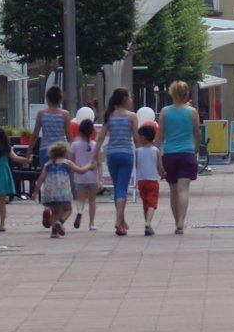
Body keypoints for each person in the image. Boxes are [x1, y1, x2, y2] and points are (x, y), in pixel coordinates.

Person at [157, 80, 201, 235]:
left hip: (169, 154)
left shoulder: (164, 112)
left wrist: (158, 154)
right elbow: (197, 133)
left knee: (173, 191)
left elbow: (160, 136)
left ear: (172, 93)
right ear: (186, 94)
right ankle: (181, 221)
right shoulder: (192, 112)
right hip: (187, 154)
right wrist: (196, 147)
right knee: (184, 190)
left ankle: (177, 222)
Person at [94, 88, 140, 236]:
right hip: (126, 154)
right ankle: (118, 219)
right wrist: (140, 153)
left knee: (117, 187)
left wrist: (94, 155)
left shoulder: (109, 116)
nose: (131, 100)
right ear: (124, 99)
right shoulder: (132, 117)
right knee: (122, 189)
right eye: (130, 97)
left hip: (112, 155)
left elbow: (100, 137)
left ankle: (121, 223)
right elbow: (136, 137)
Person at [37, 142, 90, 237]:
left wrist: (35, 191)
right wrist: (89, 166)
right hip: (63, 190)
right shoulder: (66, 162)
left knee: (54, 212)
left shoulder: (47, 164)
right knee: (68, 209)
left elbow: (41, 177)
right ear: (65, 152)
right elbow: (80, 170)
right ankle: (60, 222)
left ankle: (54, 232)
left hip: (50, 192)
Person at [69, 117, 101, 230]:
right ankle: (91, 224)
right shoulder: (95, 145)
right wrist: (100, 179)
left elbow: (71, 161)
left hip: (79, 176)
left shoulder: (74, 145)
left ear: (80, 131)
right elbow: (99, 163)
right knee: (92, 200)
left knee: (80, 199)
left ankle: (79, 212)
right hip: (92, 177)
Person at [135, 125, 165, 236]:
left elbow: (137, 165)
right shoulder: (156, 150)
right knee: (152, 203)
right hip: (152, 179)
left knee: (145, 203)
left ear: (143, 137)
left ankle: (147, 223)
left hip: (141, 180)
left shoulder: (138, 151)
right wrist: (162, 173)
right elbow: (160, 166)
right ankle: (148, 223)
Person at [30, 85, 70, 163]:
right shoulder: (65, 114)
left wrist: (28, 153)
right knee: (62, 173)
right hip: (61, 151)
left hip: (45, 149)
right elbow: (69, 137)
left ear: (47, 99)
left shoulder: (41, 114)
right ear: (60, 99)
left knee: (45, 173)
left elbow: (35, 135)